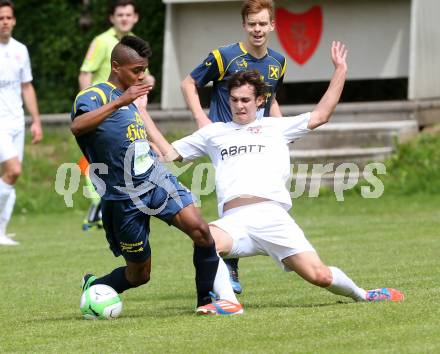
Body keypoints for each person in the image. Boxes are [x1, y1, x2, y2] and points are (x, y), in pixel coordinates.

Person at [144, 42, 405, 304]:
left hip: (272, 217)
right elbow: (168, 153)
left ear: (260, 101)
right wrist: (142, 111)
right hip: (235, 220)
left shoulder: (276, 127)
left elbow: (321, 114)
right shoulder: (214, 133)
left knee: (320, 276)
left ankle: (364, 294)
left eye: (246, 100)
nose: (239, 105)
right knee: (206, 239)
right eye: (234, 100)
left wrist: (340, 70)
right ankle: (228, 303)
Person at [71, 35, 243, 316]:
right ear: (116, 67)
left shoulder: (133, 99)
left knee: (201, 231)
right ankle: (95, 285)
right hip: (123, 196)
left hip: (155, 180)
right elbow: (78, 126)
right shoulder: (96, 95)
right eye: (136, 70)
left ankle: (205, 301)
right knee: (139, 274)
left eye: (144, 69)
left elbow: (126, 137)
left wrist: (147, 143)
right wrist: (119, 101)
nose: (142, 76)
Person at [181, 0, 286, 293]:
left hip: (259, 142)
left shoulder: (278, 62)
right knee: (232, 195)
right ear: (244, 25)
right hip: (227, 142)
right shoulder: (224, 56)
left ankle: (275, 247)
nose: (257, 29)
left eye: (263, 23)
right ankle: (229, 267)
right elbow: (188, 83)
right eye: (252, 23)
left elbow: (272, 100)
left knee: (263, 195)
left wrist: (282, 130)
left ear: (272, 25)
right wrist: (202, 119)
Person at [78, 0, 155, 231]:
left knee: (123, 161)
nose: (124, 18)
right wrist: (84, 104)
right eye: (119, 14)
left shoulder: (135, 45)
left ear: (135, 18)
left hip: (126, 113)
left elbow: (143, 79)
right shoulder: (102, 41)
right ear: (112, 18)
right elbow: (85, 73)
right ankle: (100, 207)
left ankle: (106, 208)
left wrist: (147, 88)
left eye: (128, 14)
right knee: (94, 162)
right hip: (104, 111)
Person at [0, 0, 43, 246]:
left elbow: (26, 86)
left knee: (9, 176)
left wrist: (35, 121)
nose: (4, 22)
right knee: (14, 171)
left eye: (8, 17)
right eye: (0, 18)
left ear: (14, 20)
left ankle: (1, 231)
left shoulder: (20, 50)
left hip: (17, 122)